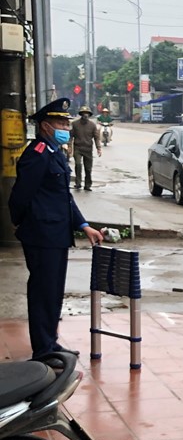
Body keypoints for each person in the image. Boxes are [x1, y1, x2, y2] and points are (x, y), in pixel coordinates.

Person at [8, 98, 104, 362]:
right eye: (61, 122)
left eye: (66, 121)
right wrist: (21, 222)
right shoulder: (37, 153)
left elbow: (64, 197)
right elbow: (20, 195)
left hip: (56, 235)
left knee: (53, 291)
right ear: (46, 126)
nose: (66, 126)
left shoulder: (55, 153)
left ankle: (50, 342)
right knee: (42, 292)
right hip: (41, 235)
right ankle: (42, 350)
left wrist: (84, 226)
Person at [69, 106, 101, 190]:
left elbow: (96, 137)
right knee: (78, 164)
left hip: (88, 149)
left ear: (89, 115)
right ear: (81, 114)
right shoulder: (75, 124)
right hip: (78, 148)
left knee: (88, 168)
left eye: (87, 113)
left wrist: (99, 148)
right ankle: (78, 183)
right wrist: (69, 147)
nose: (85, 115)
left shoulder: (92, 125)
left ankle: (87, 185)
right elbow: (71, 136)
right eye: (83, 113)